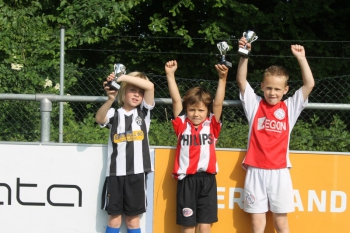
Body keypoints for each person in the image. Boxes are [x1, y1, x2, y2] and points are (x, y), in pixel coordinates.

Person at [236, 37, 315, 233]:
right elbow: (241, 80)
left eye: (277, 89)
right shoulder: (254, 105)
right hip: (255, 171)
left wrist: (301, 58)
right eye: (269, 88)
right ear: (262, 86)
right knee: (257, 225)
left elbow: (309, 84)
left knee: (281, 224)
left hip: (280, 172)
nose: (272, 93)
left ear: (285, 90)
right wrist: (244, 55)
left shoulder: (290, 107)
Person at [165, 60, 228, 233]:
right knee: (188, 226)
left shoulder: (212, 125)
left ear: (207, 111)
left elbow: (218, 104)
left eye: (201, 110)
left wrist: (222, 78)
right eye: (192, 110)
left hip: (207, 180)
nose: (196, 114)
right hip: (187, 181)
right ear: (187, 109)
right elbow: (176, 100)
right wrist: (170, 75)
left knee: (205, 225)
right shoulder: (181, 125)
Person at [95, 70, 155, 233]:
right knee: (114, 219)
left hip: (137, 174)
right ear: (123, 91)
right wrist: (110, 99)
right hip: (115, 174)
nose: (137, 95)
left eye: (140, 93)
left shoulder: (143, 112)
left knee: (132, 220)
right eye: (132, 90)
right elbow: (99, 118)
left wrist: (120, 78)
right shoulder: (115, 114)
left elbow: (150, 86)